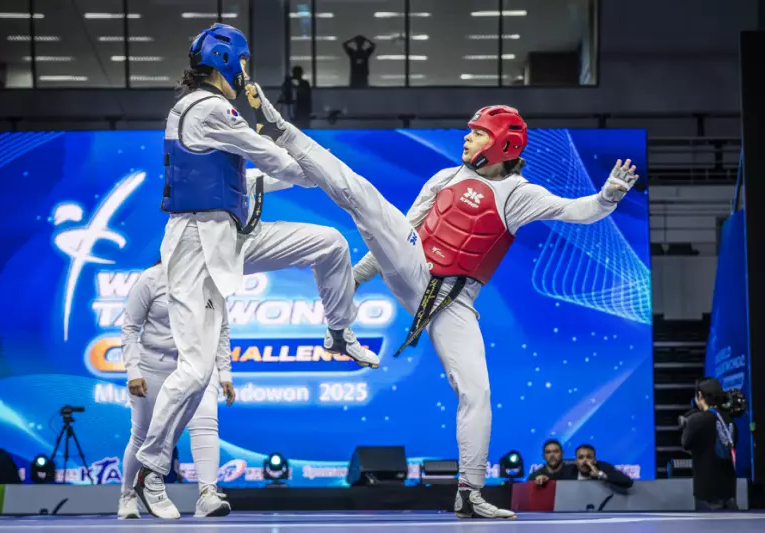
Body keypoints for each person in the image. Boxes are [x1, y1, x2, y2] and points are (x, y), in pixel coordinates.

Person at [245, 83, 639, 519]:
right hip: (415, 271)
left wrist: (609, 196)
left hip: (455, 302)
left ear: (504, 145)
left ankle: (469, 494)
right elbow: (397, 233)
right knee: (363, 198)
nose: (467, 137)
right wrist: (354, 279)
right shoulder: (444, 178)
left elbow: (577, 211)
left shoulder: (518, 194)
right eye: (469, 131)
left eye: (477, 132)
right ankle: (280, 129)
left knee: (477, 392)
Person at [134, 24, 377, 520]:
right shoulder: (210, 109)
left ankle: (337, 330)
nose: (247, 73)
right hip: (196, 247)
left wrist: (306, 170)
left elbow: (247, 176)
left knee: (329, 244)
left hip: (231, 234)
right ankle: (151, 471)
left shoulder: (204, 112)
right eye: (244, 64)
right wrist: (322, 172)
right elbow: (278, 162)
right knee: (196, 372)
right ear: (232, 63)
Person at [119, 260, 234, 519]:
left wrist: (225, 372)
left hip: (199, 364)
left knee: (205, 424)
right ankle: (127, 496)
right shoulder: (151, 278)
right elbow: (130, 328)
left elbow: (222, 329)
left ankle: (208, 495)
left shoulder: (212, 281)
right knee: (142, 435)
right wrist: (133, 371)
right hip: (154, 367)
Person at [682, 377, 738, 510]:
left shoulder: (696, 420)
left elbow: (685, 443)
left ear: (700, 395)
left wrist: (686, 424)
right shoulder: (730, 420)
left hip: (706, 492)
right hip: (729, 491)